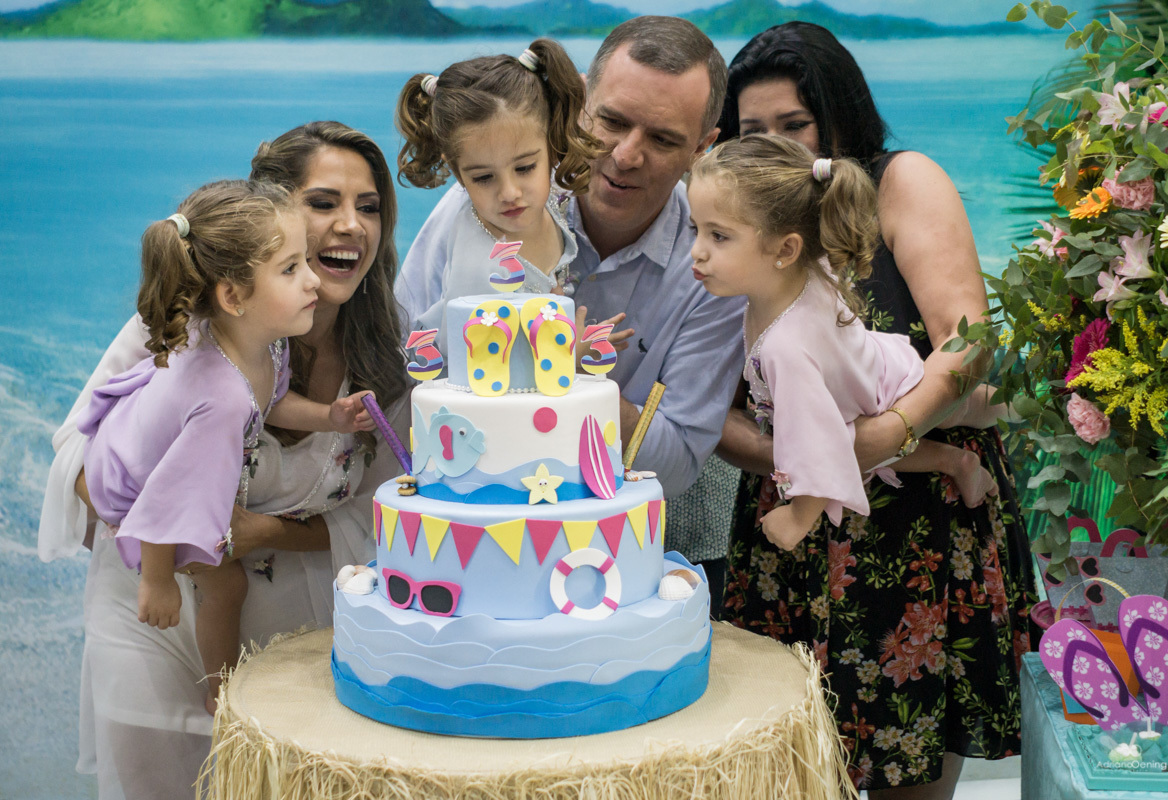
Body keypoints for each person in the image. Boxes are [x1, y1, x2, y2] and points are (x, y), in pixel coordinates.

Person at [38, 121, 409, 800]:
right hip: (158, 629)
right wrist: (177, 549)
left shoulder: (388, 350)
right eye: (323, 203)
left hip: (293, 654)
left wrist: (260, 531)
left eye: (370, 206)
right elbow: (86, 462)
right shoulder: (187, 329)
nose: (351, 225)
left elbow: (390, 515)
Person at [714, 23, 1036, 798]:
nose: (777, 146)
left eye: (796, 124)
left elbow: (968, 340)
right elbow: (717, 404)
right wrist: (818, 454)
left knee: (911, 779)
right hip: (794, 533)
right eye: (753, 131)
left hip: (921, 527)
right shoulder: (732, 221)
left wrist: (890, 433)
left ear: (840, 115)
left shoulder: (901, 182)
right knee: (784, 774)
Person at [396, 17, 746, 525]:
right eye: (613, 121)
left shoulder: (714, 272)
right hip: (455, 521)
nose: (625, 155)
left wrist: (569, 371)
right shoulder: (484, 204)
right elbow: (401, 361)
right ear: (580, 103)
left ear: (701, 148)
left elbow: (676, 464)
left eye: (663, 139)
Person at [78, 179, 376, 714]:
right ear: (233, 296)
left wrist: (329, 416)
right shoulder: (220, 402)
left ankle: (224, 689)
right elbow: (165, 495)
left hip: (149, 447)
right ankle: (224, 698)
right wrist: (158, 581)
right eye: (291, 269)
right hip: (128, 480)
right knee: (227, 585)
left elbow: (270, 400)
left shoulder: (259, 342)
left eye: (305, 262)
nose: (313, 279)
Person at [690, 135, 1004, 549]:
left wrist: (797, 518)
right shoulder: (803, 269)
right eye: (696, 229)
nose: (696, 252)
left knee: (959, 409)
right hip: (862, 378)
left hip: (886, 383)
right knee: (875, 438)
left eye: (718, 236)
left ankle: (1011, 408)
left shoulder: (786, 349)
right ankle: (962, 456)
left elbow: (818, 450)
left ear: (785, 248)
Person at [397, 38, 623, 358]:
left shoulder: (552, 199)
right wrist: (567, 355)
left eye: (525, 168)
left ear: (551, 145)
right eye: (483, 177)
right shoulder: (481, 268)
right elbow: (471, 364)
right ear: (458, 173)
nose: (510, 193)